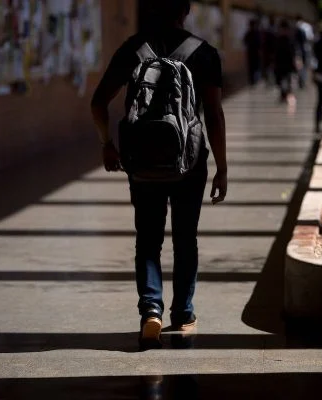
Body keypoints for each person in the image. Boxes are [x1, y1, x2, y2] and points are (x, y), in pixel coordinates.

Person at [90, 0, 227, 349]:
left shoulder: (133, 49)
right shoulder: (204, 53)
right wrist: (222, 168)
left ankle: (151, 310)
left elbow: (98, 102)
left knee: (148, 239)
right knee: (186, 238)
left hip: (142, 163)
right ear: (186, 9)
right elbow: (213, 115)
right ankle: (183, 313)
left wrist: (108, 144)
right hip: (190, 162)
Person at [274, 19, 297, 102]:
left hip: (288, 64)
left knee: (288, 80)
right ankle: (284, 94)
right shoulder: (278, 39)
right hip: (281, 64)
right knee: (282, 80)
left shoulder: (290, 39)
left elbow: (293, 53)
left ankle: (288, 94)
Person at [294, 14, 315, 89]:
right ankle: (302, 81)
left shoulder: (295, 27)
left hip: (298, 50)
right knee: (304, 66)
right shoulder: (307, 26)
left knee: (300, 65)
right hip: (305, 49)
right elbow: (311, 38)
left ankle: (301, 80)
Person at [243, 18, 262, 86]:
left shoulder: (250, 33)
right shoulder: (255, 33)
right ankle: (253, 81)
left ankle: (253, 81)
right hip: (253, 53)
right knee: (254, 67)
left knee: (253, 67)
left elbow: (245, 42)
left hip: (252, 53)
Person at [262, 15, 277, 86]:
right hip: (272, 52)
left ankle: (270, 80)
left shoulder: (267, 31)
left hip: (268, 52)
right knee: (271, 67)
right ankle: (271, 80)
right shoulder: (274, 31)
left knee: (269, 67)